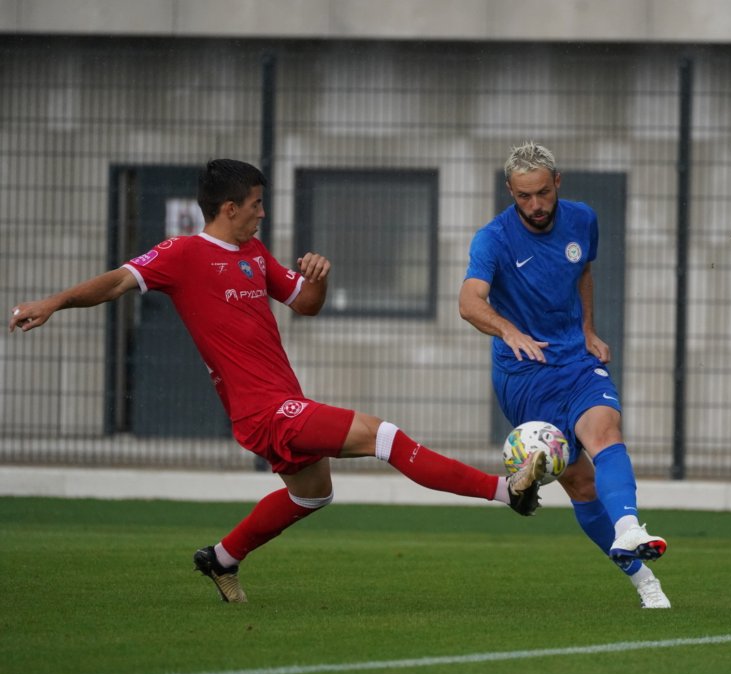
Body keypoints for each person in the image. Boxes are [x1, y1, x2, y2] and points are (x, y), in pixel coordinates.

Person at [8, 158, 546, 603]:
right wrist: (53, 302)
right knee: (385, 436)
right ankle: (508, 492)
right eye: (257, 204)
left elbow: (304, 305)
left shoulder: (253, 254)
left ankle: (220, 558)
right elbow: (116, 282)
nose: (263, 213)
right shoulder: (183, 254)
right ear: (229, 208)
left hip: (283, 400)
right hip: (263, 412)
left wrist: (318, 280)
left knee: (312, 496)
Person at [459, 142, 671, 609]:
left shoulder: (582, 219)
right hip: (524, 375)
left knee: (605, 428)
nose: (534, 206)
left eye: (541, 193)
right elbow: (469, 302)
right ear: (510, 192)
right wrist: (508, 329)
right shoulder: (492, 240)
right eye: (523, 197)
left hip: (575, 360)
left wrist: (588, 329)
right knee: (580, 484)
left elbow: (583, 271)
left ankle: (628, 526)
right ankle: (643, 582)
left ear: (557, 182)